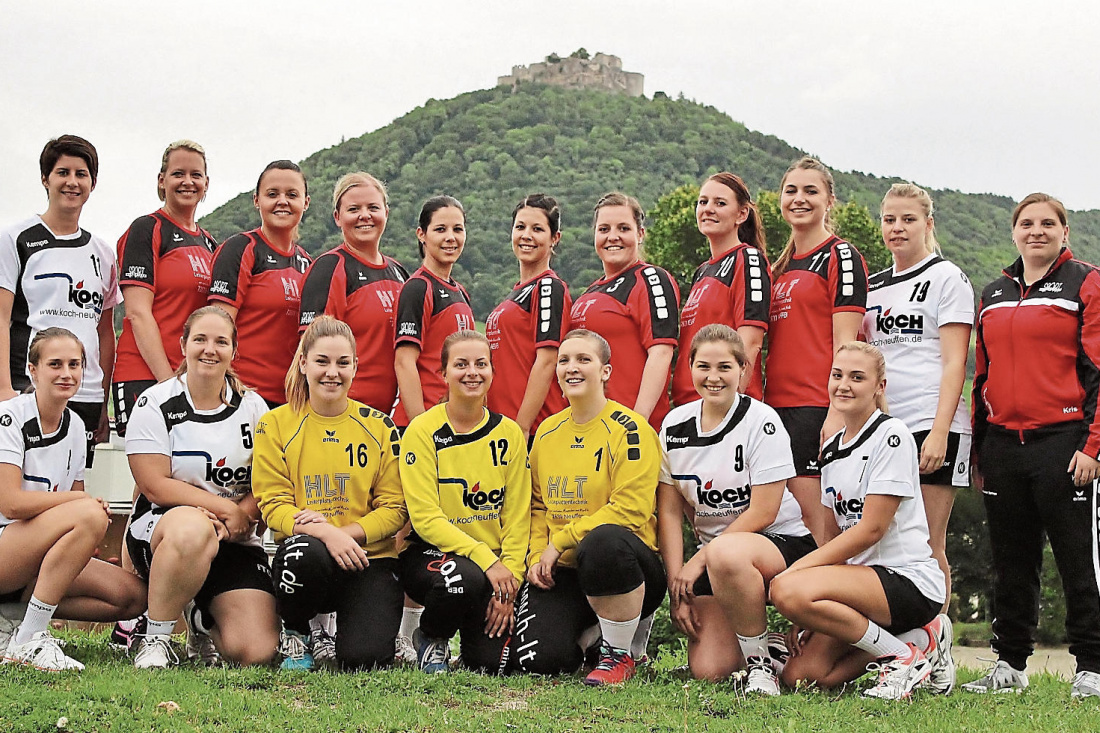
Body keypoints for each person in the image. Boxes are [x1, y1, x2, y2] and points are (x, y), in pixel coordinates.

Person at [965, 193, 1100, 699]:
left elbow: (1099, 370)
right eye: (1027, 223)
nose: (1036, 231)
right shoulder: (993, 293)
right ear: (1014, 232)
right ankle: (1009, 665)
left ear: (1065, 232)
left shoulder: (1085, 281)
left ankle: (1092, 666)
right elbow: (982, 376)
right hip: (1003, 446)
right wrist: (980, 451)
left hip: (1064, 445)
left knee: (1077, 561)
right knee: (1011, 562)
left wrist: (1093, 447)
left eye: (1048, 223)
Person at [770, 342, 950, 701]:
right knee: (802, 676)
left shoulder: (892, 435)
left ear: (879, 386)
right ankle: (922, 640)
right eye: (837, 375)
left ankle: (901, 659)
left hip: (906, 580)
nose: (844, 385)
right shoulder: (833, 447)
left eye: (857, 377)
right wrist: (806, 611)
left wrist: (797, 577)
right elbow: (834, 537)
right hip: (860, 587)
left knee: (785, 589)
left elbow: (871, 529)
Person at [658, 325, 813, 693]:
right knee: (711, 669)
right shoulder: (674, 426)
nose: (713, 377)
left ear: (743, 370)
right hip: (718, 557)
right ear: (689, 367)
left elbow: (764, 511)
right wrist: (678, 584)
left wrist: (700, 561)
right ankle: (768, 645)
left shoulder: (762, 421)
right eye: (704, 366)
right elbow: (668, 512)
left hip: (779, 543)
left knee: (726, 553)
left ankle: (759, 665)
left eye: (725, 367)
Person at [124, 306, 277, 669]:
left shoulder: (254, 407)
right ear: (183, 345)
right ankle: (157, 639)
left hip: (234, 536)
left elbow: (268, 481)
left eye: (221, 341)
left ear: (234, 351)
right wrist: (225, 510)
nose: (210, 349)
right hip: (169, 530)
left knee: (255, 652)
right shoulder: (155, 402)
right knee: (194, 530)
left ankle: (200, 619)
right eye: (201, 340)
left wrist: (239, 518)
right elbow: (155, 484)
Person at [253, 316, 407, 671]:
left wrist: (343, 536)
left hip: (368, 558)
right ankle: (298, 631)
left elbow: (395, 508)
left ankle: (348, 631)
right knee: (305, 553)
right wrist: (323, 534)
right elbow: (273, 506)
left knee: (364, 660)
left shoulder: (379, 426)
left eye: (343, 363)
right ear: (303, 362)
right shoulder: (275, 424)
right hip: (309, 554)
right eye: (322, 361)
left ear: (356, 366)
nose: (332, 373)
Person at [516, 329, 667, 686]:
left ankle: (620, 651)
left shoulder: (632, 431)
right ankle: (595, 638)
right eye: (564, 360)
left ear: (605, 372)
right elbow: (537, 505)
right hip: (565, 569)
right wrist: (537, 555)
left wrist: (560, 541)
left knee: (601, 540)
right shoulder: (548, 432)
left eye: (584, 359)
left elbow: (630, 511)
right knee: (539, 660)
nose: (572, 368)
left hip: (626, 568)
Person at [0, 328, 146, 671]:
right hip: (7, 547)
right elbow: (9, 503)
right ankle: (29, 639)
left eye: (75, 364)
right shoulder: (10, 417)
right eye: (55, 364)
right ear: (32, 371)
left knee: (132, 597)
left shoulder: (77, 427)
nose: (67, 373)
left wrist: (83, 534)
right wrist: (83, 509)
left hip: (35, 556)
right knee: (89, 513)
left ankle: (12, 620)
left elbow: (75, 499)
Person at [862, 183, 973, 615]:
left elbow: (954, 363)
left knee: (928, 542)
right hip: (882, 427)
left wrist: (940, 432)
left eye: (908, 219)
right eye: (889, 219)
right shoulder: (871, 286)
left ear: (928, 224)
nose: (897, 228)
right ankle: (900, 641)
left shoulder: (947, 277)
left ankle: (937, 646)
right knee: (887, 539)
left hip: (932, 422)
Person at [399, 330, 529, 674]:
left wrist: (509, 584)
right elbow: (425, 518)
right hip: (433, 556)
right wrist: (486, 560)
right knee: (462, 578)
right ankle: (431, 637)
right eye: (461, 364)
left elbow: (518, 518)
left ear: (492, 372)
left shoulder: (510, 434)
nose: (472, 372)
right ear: (443, 374)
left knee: (490, 665)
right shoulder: (422, 431)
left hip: (495, 570)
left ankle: (471, 639)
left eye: (480, 364)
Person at [765, 157, 868, 543]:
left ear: (830, 201)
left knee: (821, 530)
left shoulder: (841, 255)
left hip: (815, 409)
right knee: (787, 531)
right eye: (791, 190)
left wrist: (837, 411)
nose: (799, 199)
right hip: (775, 410)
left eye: (811, 191)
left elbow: (848, 345)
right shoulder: (778, 268)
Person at [0, 135, 120, 468]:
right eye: (62, 172)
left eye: (81, 174)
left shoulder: (103, 253)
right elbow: (1, 317)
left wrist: (103, 398)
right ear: (45, 179)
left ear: (92, 183)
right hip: (28, 387)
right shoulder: (16, 238)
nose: (72, 182)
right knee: (20, 495)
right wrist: (4, 389)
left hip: (87, 395)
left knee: (75, 489)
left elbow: (105, 332)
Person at [113, 140, 218, 437]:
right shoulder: (147, 229)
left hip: (190, 380)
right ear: (162, 181)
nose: (188, 182)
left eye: (196, 175)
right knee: (151, 476)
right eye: (178, 174)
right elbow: (137, 312)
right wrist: (168, 383)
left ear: (206, 183)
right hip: (146, 375)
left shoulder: (210, 244)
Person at [298, 173, 408, 412]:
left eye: (373, 207)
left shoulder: (399, 272)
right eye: (354, 209)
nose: (364, 215)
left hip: (393, 418)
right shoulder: (330, 268)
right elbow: (312, 350)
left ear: (386, 213)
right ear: (338, 217)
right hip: (344, 414)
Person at [569, 193, 679, 431]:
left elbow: (661, 351)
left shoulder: (650, 279)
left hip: (631, 430)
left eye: (623, 228)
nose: (613, 237)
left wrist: (637, 421)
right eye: (604, 229)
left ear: (640, 234)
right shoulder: (589, 292)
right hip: (588, 430)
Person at [209, 160, 313, 407]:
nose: (282, 201)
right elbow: (216, 327)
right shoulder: (241, 248)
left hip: (292, 401)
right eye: (272, 194)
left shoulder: (308, 263)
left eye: (292, 194)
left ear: (305, 202)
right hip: (240, 396)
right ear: (257, 200)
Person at [672, 173, 770, 404]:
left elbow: (751, 340)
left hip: (722, 406)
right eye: (703, 202)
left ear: (741, 214)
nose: (708, 209)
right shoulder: (703, 271)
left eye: (720, 203)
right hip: (689, 405)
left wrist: (730, 405)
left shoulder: (747, 259)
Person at [485, 194, 571, 440]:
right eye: (520, 227)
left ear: (555, 238)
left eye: (537, 229)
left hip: (534, 430)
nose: (526, 235)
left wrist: (522, 426)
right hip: (501, 427)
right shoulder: (517, 292)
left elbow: (547, 360)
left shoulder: (548, 288)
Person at [393, 196, 476, 427]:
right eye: (440, 229)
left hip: (455, 423)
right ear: (422, 234)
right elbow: (404, 362)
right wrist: (421, 427)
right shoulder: (418, 288)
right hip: (423, 424)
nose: (451, 237)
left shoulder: (460, 292)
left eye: (457, 229)